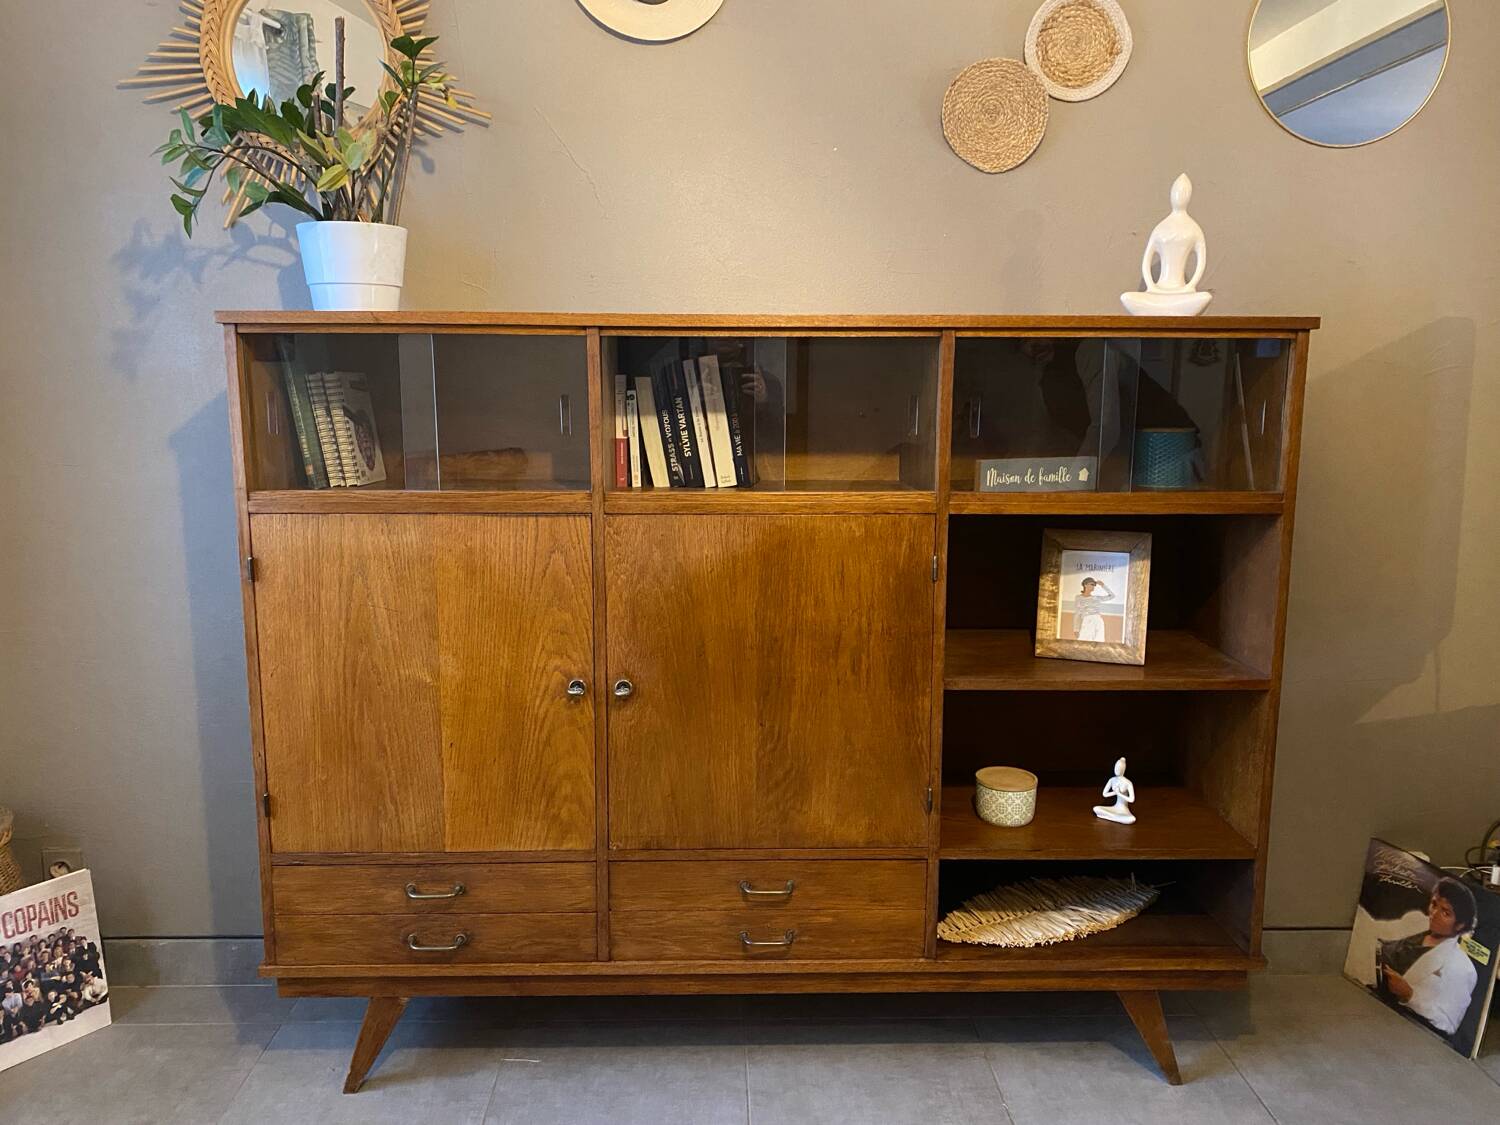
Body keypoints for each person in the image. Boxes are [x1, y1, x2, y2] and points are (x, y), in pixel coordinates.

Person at [1371, 878, 1480, 1036]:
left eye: (1445, 912)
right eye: (1434, 904)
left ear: (1460, 925)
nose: (1434, 914)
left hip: (1403, 1030)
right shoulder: (1413, 922)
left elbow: (1448, 1024)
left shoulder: (1463, 968)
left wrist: (1409, 995)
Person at [1072, 576, 1114, 641]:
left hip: (1098, 621)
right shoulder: (1078, 598)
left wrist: (1103, 585)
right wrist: (1076, 629)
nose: (1093, 586)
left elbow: (1112, 596)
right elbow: (1077, 613)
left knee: (1098, 642)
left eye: (1094, 585)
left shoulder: (1096, 598)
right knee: (1084, 642)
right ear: (1085, 585)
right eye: (1092, 584)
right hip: (1087, 620)